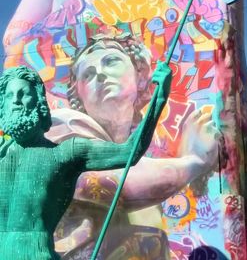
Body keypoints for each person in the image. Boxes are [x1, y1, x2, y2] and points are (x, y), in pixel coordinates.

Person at [0, 63, 172, 260]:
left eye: (23, 94)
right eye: (8, 96)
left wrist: (159, 98)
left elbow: (128, 152)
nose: (15, 101)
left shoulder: (64, 153)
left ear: (39, 102)